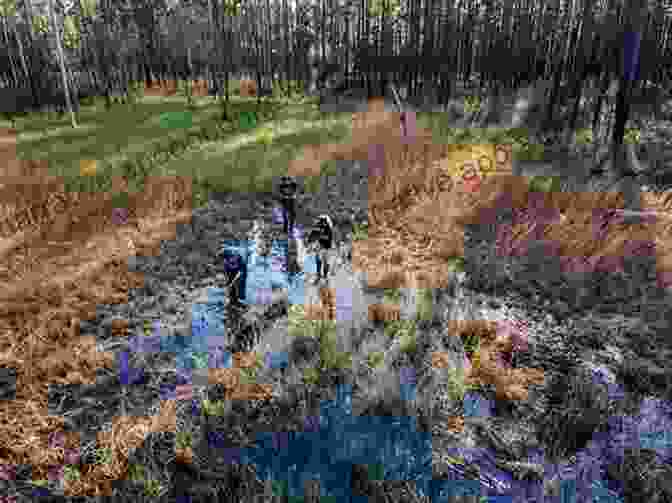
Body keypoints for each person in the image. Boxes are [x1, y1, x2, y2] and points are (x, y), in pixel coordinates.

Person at [306, 214, 334, 284]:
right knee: (318, 260)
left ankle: (325, 275)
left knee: (326, 262)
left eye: (322, 221)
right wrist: (309, 240)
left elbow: (327, 237)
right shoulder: (319, 226)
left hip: (327, 247)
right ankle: (318, 275)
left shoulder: (328, 228)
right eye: (320, 220)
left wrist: (317, 236)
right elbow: (313, 233)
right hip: (321, 246)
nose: (320, 222)